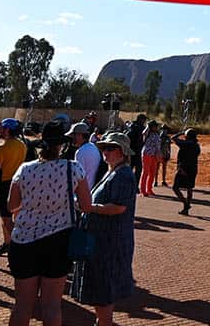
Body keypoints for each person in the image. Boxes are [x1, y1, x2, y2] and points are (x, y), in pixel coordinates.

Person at [7, 121, 92, 326]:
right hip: (58, 241)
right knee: (52, 305)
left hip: (24, 240)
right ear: (61, 145)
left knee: (22, 305)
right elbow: (86, 205)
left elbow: (12, 205)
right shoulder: (73, 169)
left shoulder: (25, 169)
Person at [70, 132, 138, 326]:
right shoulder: (113, 171)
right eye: (104, 149)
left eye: (109, 149)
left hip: (110, 242)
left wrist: (91, 207)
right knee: (100, 289)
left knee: (104, 289)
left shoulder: (123, 175)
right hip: (101, 239)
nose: (105, 153)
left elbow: (119, 207)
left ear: (121, 151)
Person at [0, 117, 27, 259]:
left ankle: (14, 246)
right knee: (8, 217)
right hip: (16, 184)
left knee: (1, 219)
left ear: (8, 130)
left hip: (2, 185)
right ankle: (9, 243)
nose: (0, 131)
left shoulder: (3, 148)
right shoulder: (22, 145)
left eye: (2, 128)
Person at [171, 128, 201, 215]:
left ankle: (185, 204)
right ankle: (186, 208)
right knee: (189, 188)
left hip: (183, 168)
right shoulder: (196, 145)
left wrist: (180, 133)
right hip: (193, 168)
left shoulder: (185, 144)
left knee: (175, 187)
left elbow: (173, 138)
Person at [70, 122, 104, 191]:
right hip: (92, 189)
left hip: (84, 191)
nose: (71, 138)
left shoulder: (80, 152)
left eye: (73, 135)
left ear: (80, 135)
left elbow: (78, 177)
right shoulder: (93, 146)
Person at [138, 120, 162, 197]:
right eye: (155, 126)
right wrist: (148, 126)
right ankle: (143, 190)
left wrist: (158, 155)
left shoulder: (157, 134)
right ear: (152, 127)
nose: (157, 127)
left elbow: (158, 146)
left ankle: (149, 189)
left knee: (152, 173)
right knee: (145, 172)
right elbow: (144, 133)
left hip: (154, 155)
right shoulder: (147, 133)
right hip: (147, 154)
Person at [126, 115, 146, 184]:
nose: (144, 122)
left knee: (136, 170)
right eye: (143, 120)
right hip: (134, 151)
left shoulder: (132, 126)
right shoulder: (135, 127)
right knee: (134, 170)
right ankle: (132, 185)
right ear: (140, 119)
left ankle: (133, 185)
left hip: (135, 151)